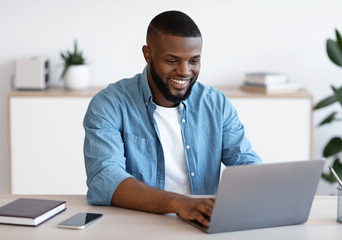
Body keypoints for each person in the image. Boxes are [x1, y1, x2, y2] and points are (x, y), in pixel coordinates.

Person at [83, 10, 261, 228]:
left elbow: (246, 162)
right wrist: (178, 203)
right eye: (172, 60)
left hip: (202, 225)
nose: (185, 71)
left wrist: (259, 189)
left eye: (194, 61)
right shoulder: (110, 104)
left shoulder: (216, 103)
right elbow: (105, 180)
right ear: (148, 55)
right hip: (135, 226)